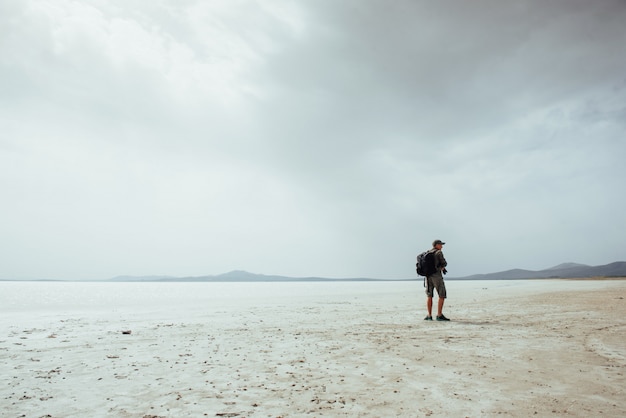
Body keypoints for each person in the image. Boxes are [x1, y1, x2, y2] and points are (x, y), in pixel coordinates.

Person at [424, 239, 449, 321]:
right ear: (436, 245)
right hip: (436, 276)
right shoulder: (438, 252)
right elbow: (444, 263)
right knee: (442, 294)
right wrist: (442, 266)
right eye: (440, 244)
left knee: (429, 295)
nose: (441, 246)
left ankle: (429, 315)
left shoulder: (427, 252)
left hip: (428, 276)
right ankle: (439, 315)